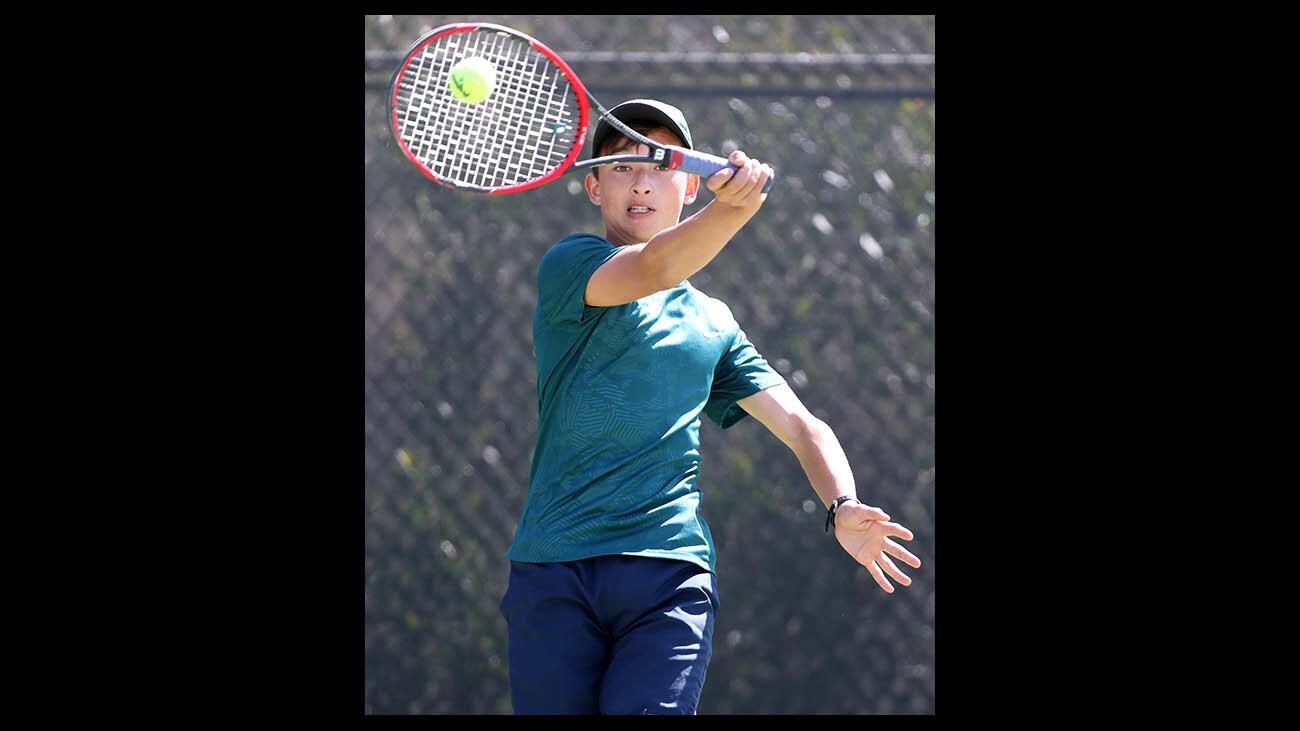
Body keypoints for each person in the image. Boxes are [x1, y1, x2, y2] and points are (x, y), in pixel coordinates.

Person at [500, 99, 920, 715]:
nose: (641, 181)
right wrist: (736, 210)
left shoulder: (712, 323)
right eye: (621, 167)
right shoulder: (570, 265)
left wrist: (842, 505)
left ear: (689, 184)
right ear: (593, 187)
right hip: (553, 568)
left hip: (668, 578)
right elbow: (656, 265)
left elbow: (803, 427)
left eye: (660, 162)